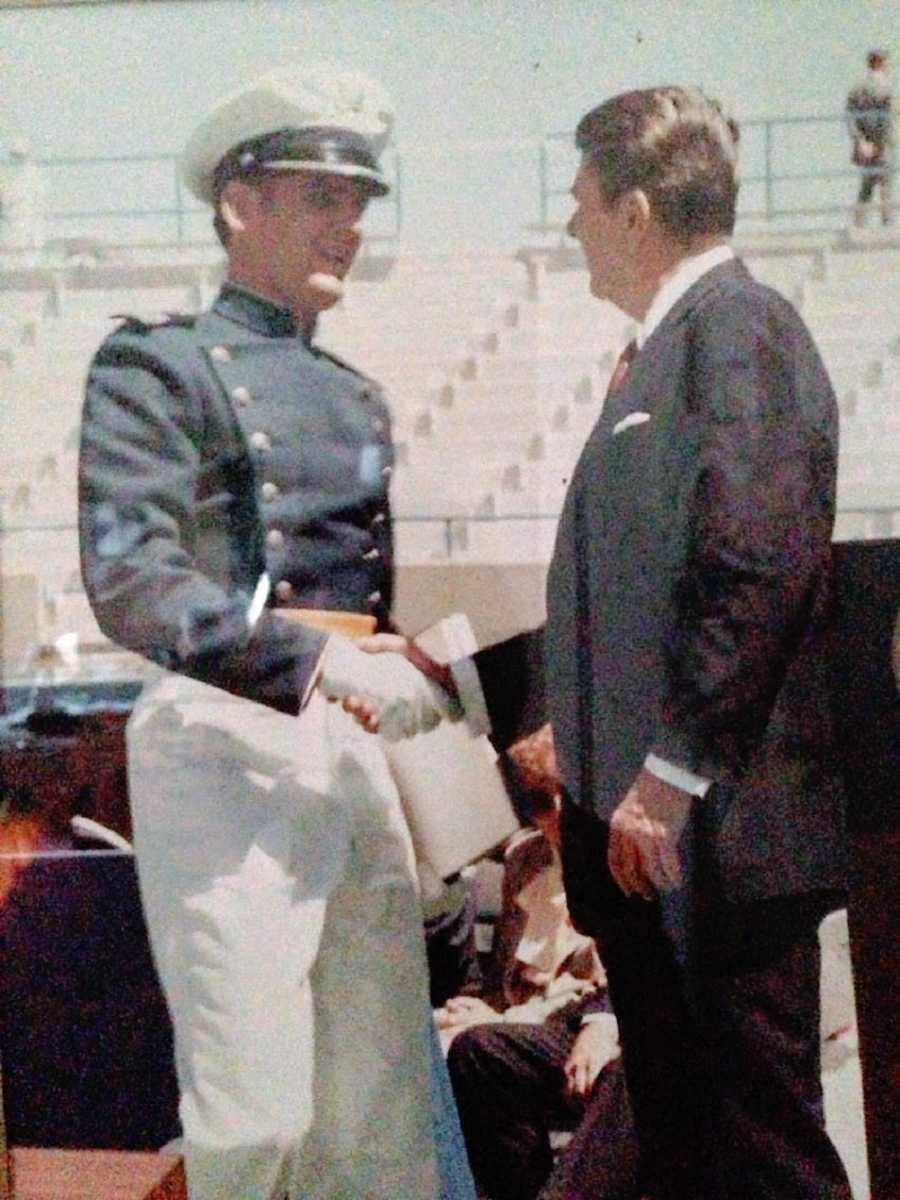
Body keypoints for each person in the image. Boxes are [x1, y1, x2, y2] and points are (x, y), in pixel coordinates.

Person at [346, 86, 852, 1200]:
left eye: (579, 201)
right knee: (692, 1158)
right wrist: (453, 676)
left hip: (708, 852)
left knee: (763, 1156)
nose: (568, 224)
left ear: (632, 211)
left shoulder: (737, 330)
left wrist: (670, 779)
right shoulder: (667, 350)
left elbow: (754, 564)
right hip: (661, 862)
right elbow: (620, 620)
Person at [78, 63, 471, 1200]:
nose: (347, 226)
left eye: (358, 202)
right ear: (238, 203)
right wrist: (314, 661)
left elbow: (358, 599)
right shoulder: (159, 366)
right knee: (256, 1115)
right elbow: (131, 577)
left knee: (379, 1113)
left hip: (350, 740)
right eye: (319, 197)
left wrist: (393, 678)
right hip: (223, 740)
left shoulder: (355, 396)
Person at [443, 725, 637, 1200]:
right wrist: (489, 1010)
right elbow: (509, 977)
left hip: (616, 1026)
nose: (553, 815)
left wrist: (603, 1022)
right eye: (537, 802)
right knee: (469, 1049)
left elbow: (640, 965)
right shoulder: (524, 860)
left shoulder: (624, 847)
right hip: (542, 1026)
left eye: (560, 798)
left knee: (624, 1076)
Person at [846, 49, 895, 227]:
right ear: (880, 63)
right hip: (882, 143)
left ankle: (859, 223)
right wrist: (881, 143)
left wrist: (859, 140)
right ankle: (887, 222)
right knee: (885, 185)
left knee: (866, 185)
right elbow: (887, 116)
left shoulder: (857, 89)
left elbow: (850, 117)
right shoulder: (885, 86)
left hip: (865, 143)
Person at [0, 138, 47, 260]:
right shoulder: (17, 174)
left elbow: (10, 197)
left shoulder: (28, 175)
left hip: (24, 219)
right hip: (18, 221)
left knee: (23, 253)